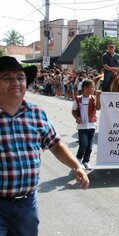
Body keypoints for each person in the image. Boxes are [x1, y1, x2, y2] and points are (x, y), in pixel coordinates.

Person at [0, 56, 89, 235]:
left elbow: (55, 145)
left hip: (27, 204)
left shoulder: (36, 114)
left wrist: (76, 166)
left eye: (20, 77)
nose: (16, 82)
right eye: (7, 77)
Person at [72, 79, 101, 170]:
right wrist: (77, 118)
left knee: (89, 146)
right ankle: (78, 159)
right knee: (83, 144)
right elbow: (73, 111)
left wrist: (98, 96)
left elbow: (98, 108)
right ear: (85, 88)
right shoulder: (78, 99)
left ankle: (86, 161)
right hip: (82, 126)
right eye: (92, 87)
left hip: (91, 126)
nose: (93, 88)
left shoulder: (93, 98)